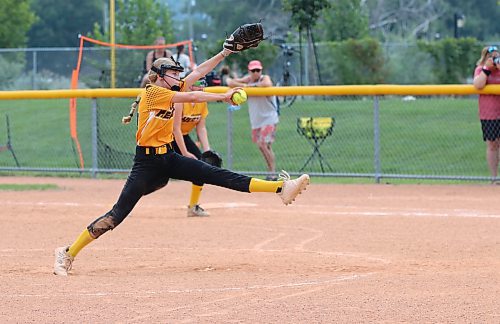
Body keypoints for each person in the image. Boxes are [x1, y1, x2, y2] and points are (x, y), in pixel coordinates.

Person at [54, 46, 310, 276]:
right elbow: (194, 97)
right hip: (145, 165)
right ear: (158, 75)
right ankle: (67, 252)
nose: (178, 77)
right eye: (173, 73)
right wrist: (223, 96)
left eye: (178, 73)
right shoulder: (153, 93)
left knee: (215, 174)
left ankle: (280, 187)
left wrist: (225, 52)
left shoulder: (171, 88)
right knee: (115, 216)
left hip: (168, 157)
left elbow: (198, 71)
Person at [227, 60, 280, 180]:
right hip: (256, 120)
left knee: (263, 144)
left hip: (269, 118)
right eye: (253, 71)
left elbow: (267, 84)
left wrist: (245, 86)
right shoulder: (248, 79)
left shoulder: (264, 78)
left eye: (258, 70)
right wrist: (240, 83)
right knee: (265, 146)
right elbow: (230, 82)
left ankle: (272, 172)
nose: (256, 73)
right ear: (249, 71)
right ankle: (271, 172)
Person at [172, 77, 212, 217]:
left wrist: (207, 150)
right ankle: (128, 201)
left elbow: (201, 128)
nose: (201, 89)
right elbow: (175, 129)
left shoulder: (202, 102)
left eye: (203, 86)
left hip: (184, 136)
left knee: (201, 166)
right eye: (198, 86)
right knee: (157, 179)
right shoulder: (181, 101)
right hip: (168, 137)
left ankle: (193, 207)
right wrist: (185, 153)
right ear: (189, 88)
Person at [473, 45, 500, 184]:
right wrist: (486, 69)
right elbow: (478, 85)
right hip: (489, 113)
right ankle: (494, 178)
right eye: (492, 57)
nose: (495, 60)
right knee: (492, 144)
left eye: (497, 57)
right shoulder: (481, 70)